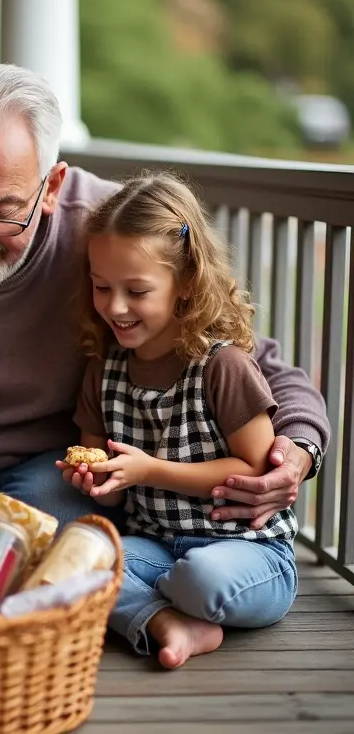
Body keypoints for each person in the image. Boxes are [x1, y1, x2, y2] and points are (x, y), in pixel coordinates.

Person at [0, 63, 328, 530]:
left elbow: (249, 359)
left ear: (53, 185)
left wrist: (297, 450)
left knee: (75, 513)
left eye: (1, 212)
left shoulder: (113, 231)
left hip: (53, 467)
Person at [58, 173, 297, 669]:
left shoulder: (222, 366)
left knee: (201, 578)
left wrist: (150, 471)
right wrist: (100, 481)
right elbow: (114, 484)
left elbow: (255, 470)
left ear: (185, 282)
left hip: (246, 552)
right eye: (102, 287)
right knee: (70, 557)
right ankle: (164, 622)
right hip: (159, 548)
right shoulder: (104, 370)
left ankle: (150, 601)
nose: (115, 307)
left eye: (137, 291)